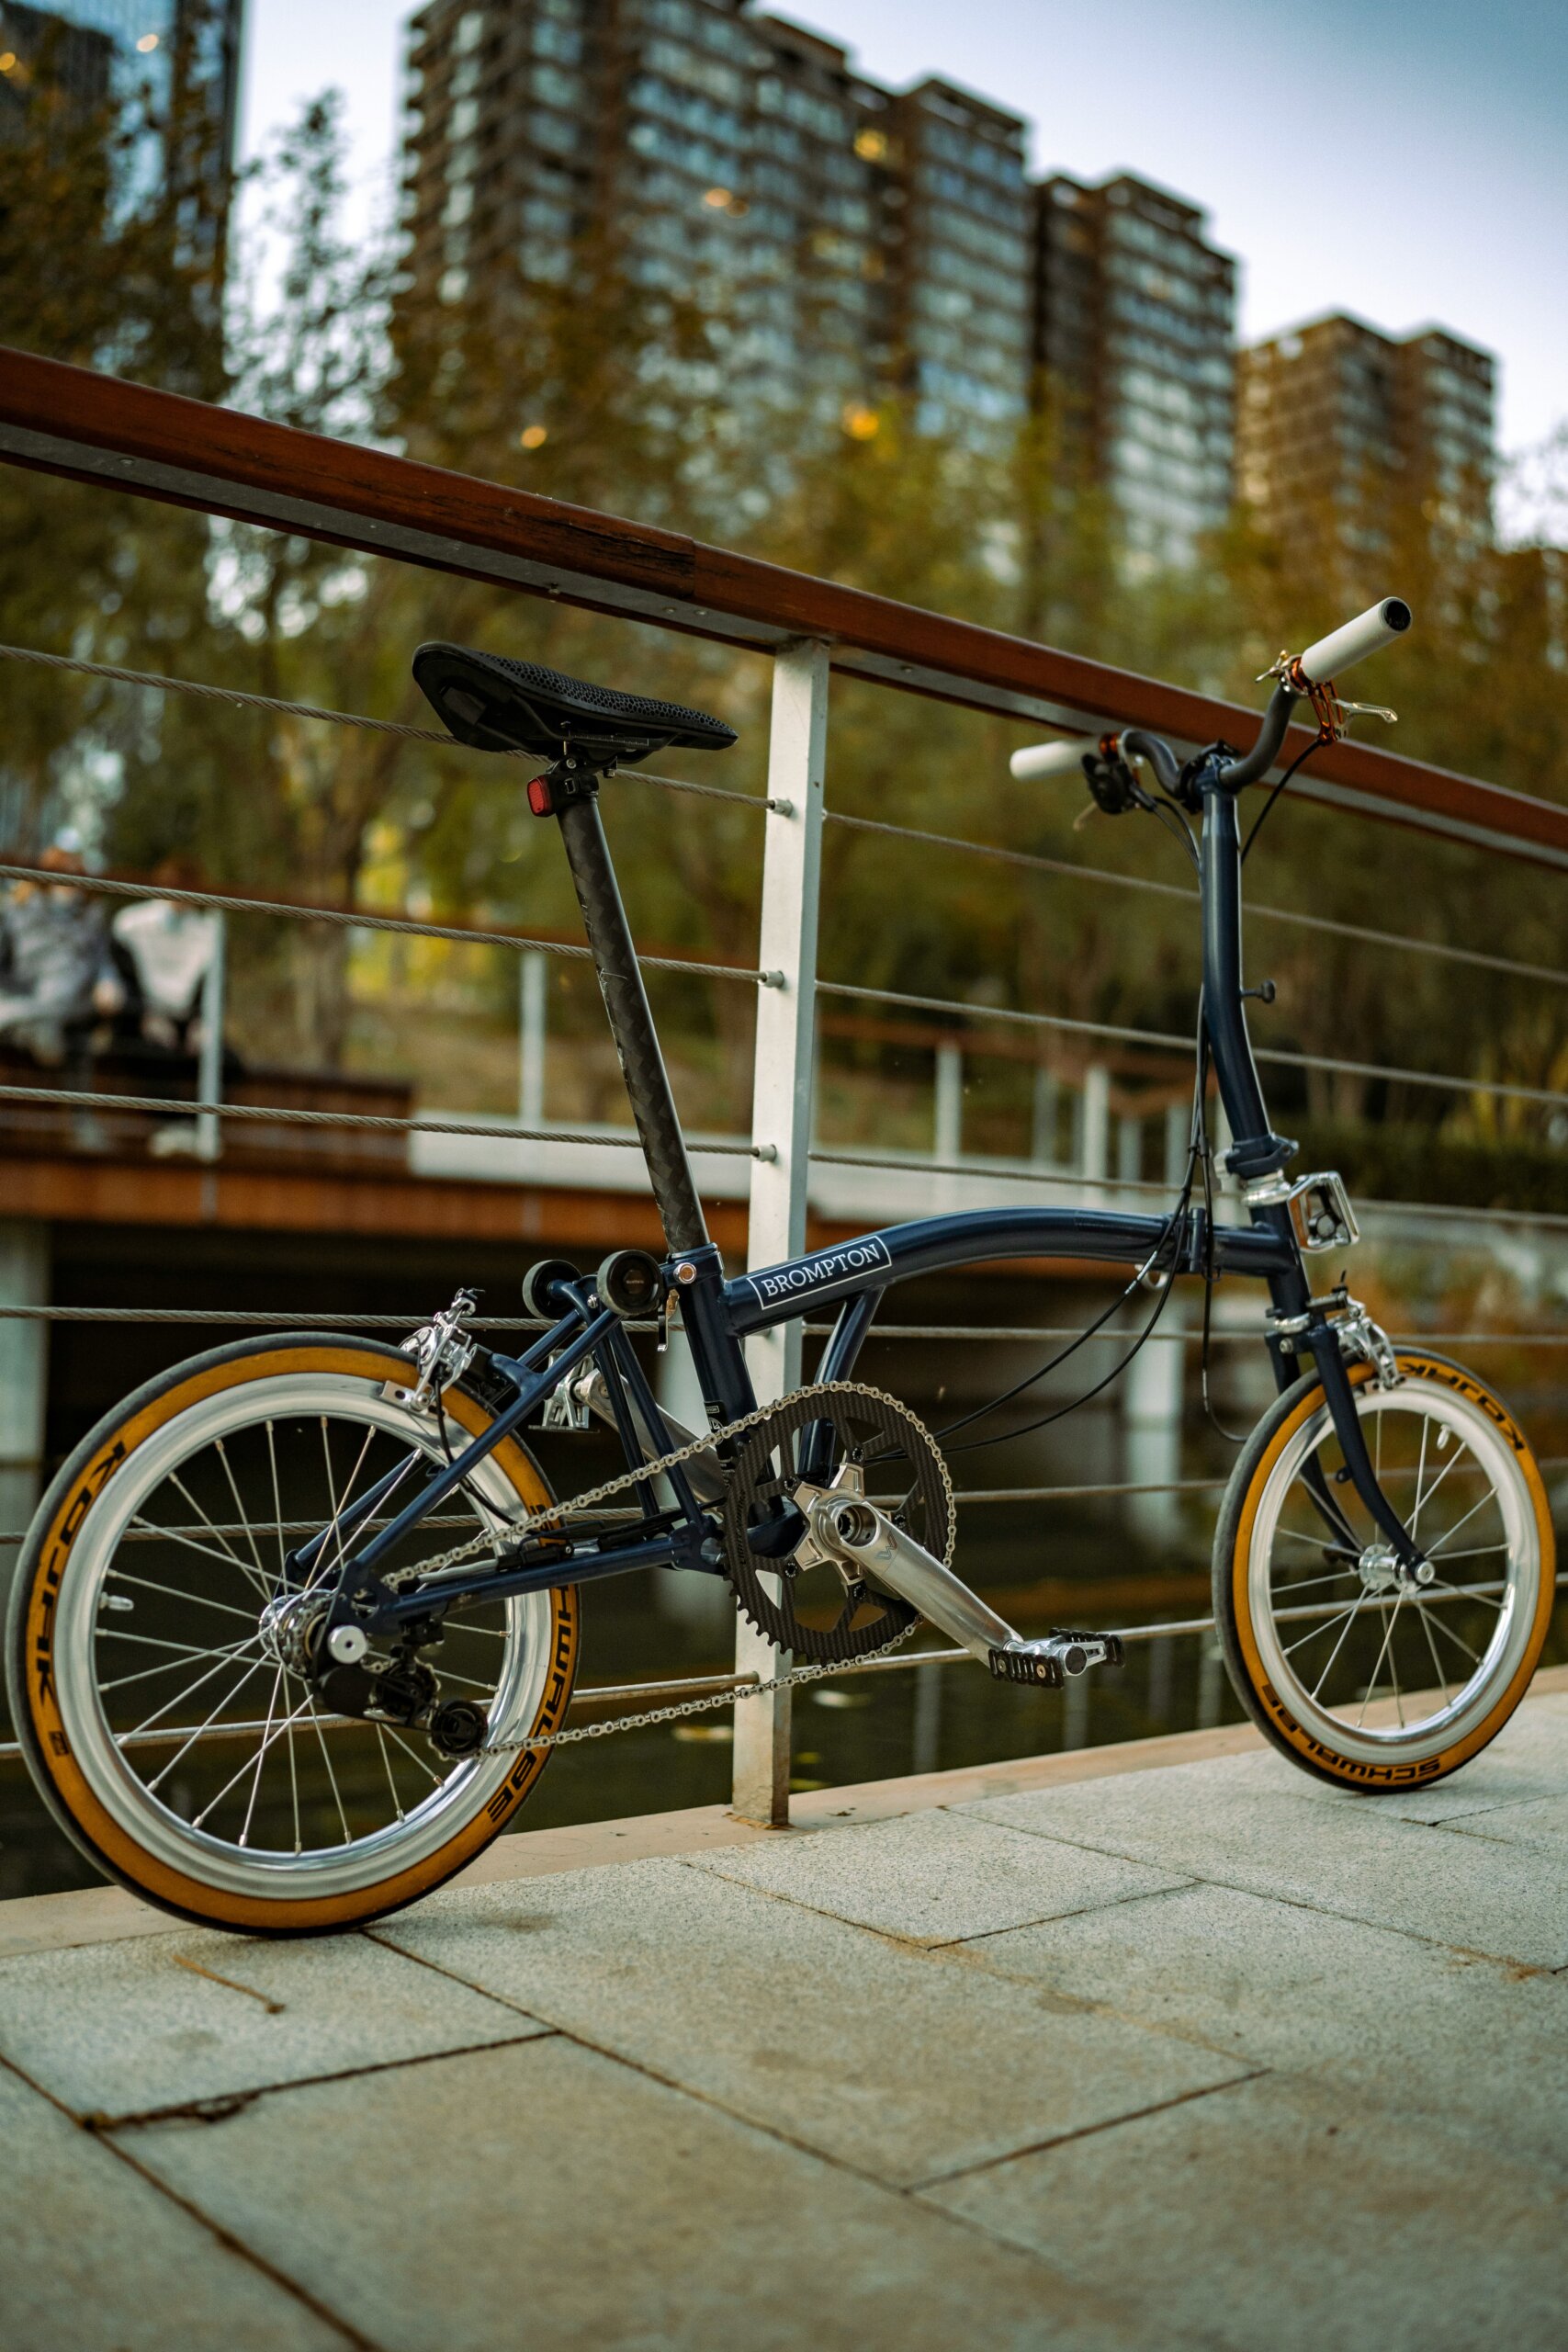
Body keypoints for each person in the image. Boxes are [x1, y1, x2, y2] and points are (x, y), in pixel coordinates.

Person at [0, 844, 124, 1065]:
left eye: (76, 875)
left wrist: (108, 982)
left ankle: (18, 1022)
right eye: (63, 873)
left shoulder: (91, 916)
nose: (70, 882)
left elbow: (102, 960)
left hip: (75, 996)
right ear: (45, 876)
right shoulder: (16, 909)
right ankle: (38, 1027)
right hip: (27, 990)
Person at [110, 856, 221, 1054]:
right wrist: (146, 1016)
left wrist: (202, 1023)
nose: (180, 894)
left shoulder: (207, 931)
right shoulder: (131, 923)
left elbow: (214, 986)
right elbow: (123, 976)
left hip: (186, 1024)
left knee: (229, 1062)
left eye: (187, 887)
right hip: (139, 1019)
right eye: (175, 885)